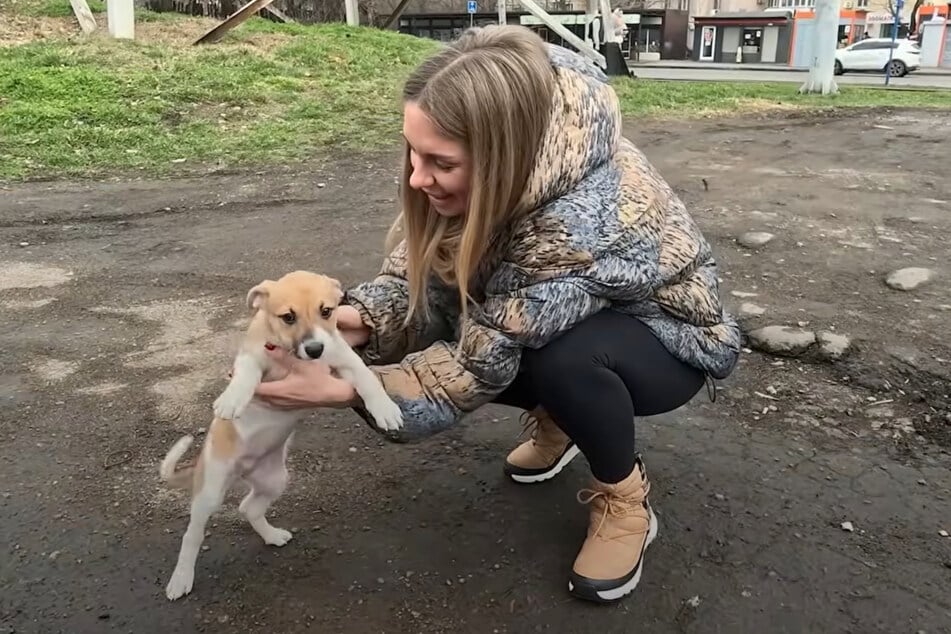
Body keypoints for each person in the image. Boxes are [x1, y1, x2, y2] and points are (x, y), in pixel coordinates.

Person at [252, 25, 741, 604]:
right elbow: (422, 283)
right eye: (412, 152)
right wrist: (356, 321)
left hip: (667, 339)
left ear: (499, 158)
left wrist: (355, 389)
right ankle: (564, 420)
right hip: (547, 312)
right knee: (492, 316)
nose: (417, 177)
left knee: (565, 360)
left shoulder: (580, 220)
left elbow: (478, 360)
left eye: (440, 162)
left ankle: (624, 499)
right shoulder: (496, 168)